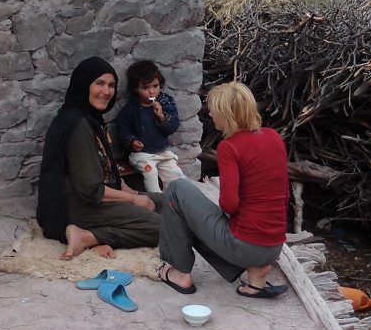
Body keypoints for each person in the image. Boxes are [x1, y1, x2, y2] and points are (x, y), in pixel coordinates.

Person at [156, 81, 289, 298]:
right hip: (274, 246)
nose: (210, 114)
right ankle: (256, 278)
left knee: (177, 189)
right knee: (203, 213)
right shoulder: (274, 137)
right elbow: (284, 195)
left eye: (214, 110)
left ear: (227, 114)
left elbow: (229, 204)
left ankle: (180, 273)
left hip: (245, 247)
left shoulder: (230, 147)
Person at [36, 56, 163, 260]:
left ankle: (97, 231)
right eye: (99, 83)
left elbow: (102, 165)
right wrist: (133, 199)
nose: (107, 91)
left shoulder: (89, 117)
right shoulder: (78, 125)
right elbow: (90, 190)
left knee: (168, 202)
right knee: (162, 227)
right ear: (84, 84)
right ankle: (88, 236)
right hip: (74, 207)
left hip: (94, 196)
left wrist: (124, 188)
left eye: (111, 85)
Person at [115, 60, 184, 193]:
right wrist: (132, 141)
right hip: (142, 155)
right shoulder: (131, 110)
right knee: (150, 172)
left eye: (155, 86)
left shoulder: (165, 102)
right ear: (135, 89)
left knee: (176, 175)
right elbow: (123, 130)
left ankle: (178, 198)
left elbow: (173, 127)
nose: (152, 91)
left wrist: (162, 116)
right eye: (145, 88)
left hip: (163, 152)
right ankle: (157, 199)